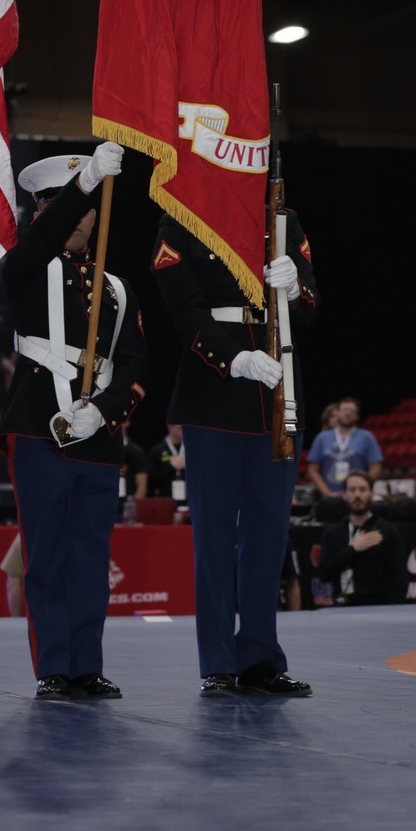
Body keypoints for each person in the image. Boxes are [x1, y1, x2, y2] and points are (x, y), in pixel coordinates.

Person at [0, 142, 149, 700]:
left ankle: (87, 664)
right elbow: (37, 244)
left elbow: (135, 364)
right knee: (47, 554)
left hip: (98, 435)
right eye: (69, 207)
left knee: (90, 554)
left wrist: (104, 413)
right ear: (42, 211)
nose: (82, 220)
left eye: (89, 209)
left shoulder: (118, 288)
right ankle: (55, 667)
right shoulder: (25, 269)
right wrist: (83, 182)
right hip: (39, 425)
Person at [153, 204, 318, 697]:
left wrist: (295, 289)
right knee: (215, 534)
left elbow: (312, 309)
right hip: (215, 389)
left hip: (278, 388)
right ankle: (219, 661)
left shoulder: (284, 219)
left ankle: (260, 656)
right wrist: (233, 357)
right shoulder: (181, 214)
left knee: (268, 535)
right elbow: (183, 307)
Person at [316, 470, 407, 604]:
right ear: (344, 495)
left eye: (362, 489)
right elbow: (323, 574)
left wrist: (392, 612)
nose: (357, 495)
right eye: (352, 490)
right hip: (341, 607)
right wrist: (353, 550)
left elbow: (399, 578)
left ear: (371, 493)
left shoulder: (387, 531)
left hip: (379, 608)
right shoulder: (333, 532)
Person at [307, 398, 383, 498]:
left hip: (357, 497)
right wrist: (328, 494)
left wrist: (361, 489)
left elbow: (376, 467)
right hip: (329, 498)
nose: (348, 413)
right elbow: (313, 470)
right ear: (337, 412)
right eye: (345, 410)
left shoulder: (366, 437)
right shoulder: (322, 438)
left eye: (352, 411)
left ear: (357, 415)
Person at [146, 422, 186, 499]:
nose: (184, 431)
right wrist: (171, 467)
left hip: (188, 502)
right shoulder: (156, 451)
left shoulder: (191, 450)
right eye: (180, 428)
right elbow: (151, 481)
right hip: (165, 501)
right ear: (170, 426)